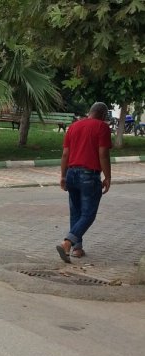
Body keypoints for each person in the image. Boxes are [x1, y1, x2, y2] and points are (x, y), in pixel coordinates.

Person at [56, 101, 112, 263]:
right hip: (89, 175)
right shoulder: (102, 127)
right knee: (88, 214)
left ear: (89, 112)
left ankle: (77, 249)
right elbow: (103, 154)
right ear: (103, 115)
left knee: (76, 212)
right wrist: (107, 177)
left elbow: (65, 154)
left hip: (72, 173)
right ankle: (67, 242)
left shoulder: (74, 127)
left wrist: (63, 175)